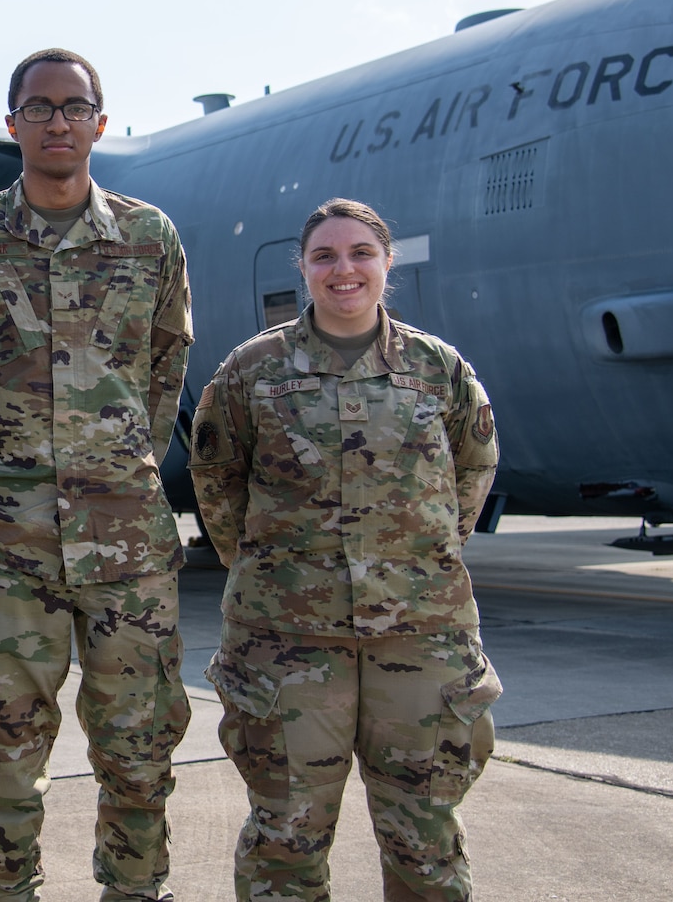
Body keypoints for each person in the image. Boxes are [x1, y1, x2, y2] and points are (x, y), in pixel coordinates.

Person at [0, 48, 195, 902]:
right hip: (5, 543)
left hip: (127, 543)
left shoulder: (150, 238)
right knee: (3, 750)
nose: (58, 121)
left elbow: (166, 365)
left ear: (101, 123)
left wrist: (108, 461)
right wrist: (2, 471)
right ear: (12, 125)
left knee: (139, 746)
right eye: (39, 107)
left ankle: (136, 891)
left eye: (76, 106)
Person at [188, 198, 502, 902]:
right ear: (302, 269)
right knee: (285, 841)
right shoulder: (251, 371)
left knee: (427, 841)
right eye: (325, 256)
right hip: (289, 645)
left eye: (361, 253)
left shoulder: (437, 368)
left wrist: (421, 560)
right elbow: (217, 481)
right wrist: (275, 572)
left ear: (387, 263)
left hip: (421, 640)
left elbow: (474, 468)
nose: (344, 269)